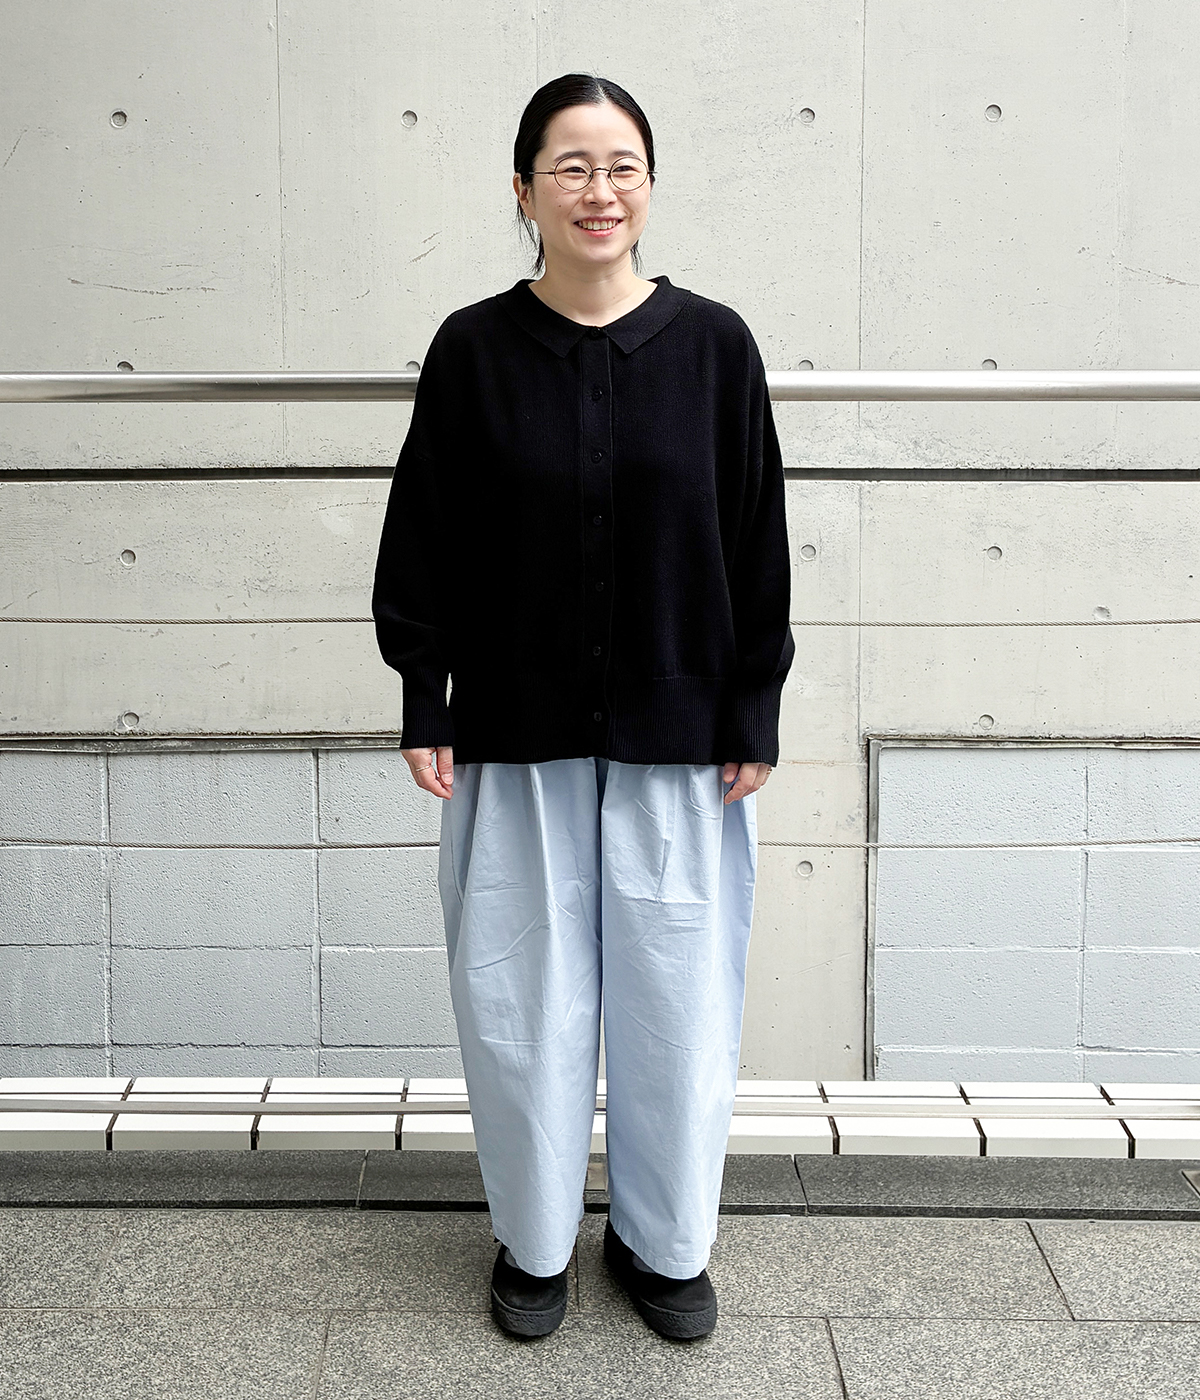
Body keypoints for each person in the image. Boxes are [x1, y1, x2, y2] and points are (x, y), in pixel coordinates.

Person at [372, 72, 794, 1341]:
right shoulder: (472, 350)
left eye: (621, 166)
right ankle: (537, 1238)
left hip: (683, 740)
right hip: (515, 732)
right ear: (524, 190)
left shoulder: (715, 347)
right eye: (571, 166)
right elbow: (425, 530)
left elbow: (757, 532)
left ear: (649, 186)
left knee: (679, 1009)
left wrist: (754, 703)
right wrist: (425, 692)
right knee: (523, 1010)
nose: (598, 190)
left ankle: (665, 1246)